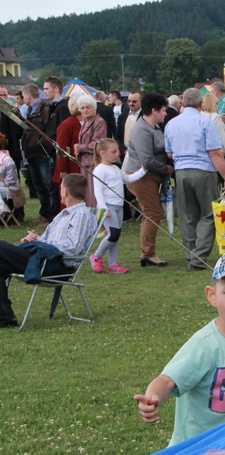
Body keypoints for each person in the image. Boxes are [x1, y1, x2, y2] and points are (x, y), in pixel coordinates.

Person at [133, 249, 225, 446]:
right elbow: (167, 381)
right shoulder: (205, 345)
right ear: (212, 296)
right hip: (195, 454)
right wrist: (152, 397)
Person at [0, 173, 97, 328]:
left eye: (60, 188)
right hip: (44, 258)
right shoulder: (63, 215)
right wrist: (36, 239)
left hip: (54, 265)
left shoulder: (81, 216)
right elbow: (48, 240)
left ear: (65, 192)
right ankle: (5, 317)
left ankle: (5, 316)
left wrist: (43, 245)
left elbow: (72, 249)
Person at [165, 88, 225, 270]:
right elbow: (215, 154)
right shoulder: (206, 123)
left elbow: (169, 153)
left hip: (180, 172)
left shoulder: (171, 124)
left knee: (188, 215)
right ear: (201, 103)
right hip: (203, 171)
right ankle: (199, 257)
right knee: (208, 214)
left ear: (182, 103)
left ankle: (190, 253)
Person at [123, 93, 172, 268]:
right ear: (154, 110)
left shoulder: (155, 127)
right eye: (163, 110)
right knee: (153, 213)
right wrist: (167, 169)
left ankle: (148, 252)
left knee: (151, 212)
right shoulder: (142, 130)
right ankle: (148, 253)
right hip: (141, 178)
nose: (165, 114)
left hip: (151, 177)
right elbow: (147, 160)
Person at [90, 139, 147, 274]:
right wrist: (104, 208)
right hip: (108, 207)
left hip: (118, 206)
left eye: (117, 151)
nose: (118, 154)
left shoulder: (115, 168)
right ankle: (96, 256)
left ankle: (113, 264)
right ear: (103, 153)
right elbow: (98, 191)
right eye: (114, 152)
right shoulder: (99, 170)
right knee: (113, 234)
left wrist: (143, 171)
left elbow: (128, 179)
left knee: (115, 236)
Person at [20, 83, 56, 222]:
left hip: (41, 151)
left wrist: (41, 142)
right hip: (31, 151)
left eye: (23, 96)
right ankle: (44, 212)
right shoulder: (28, 110)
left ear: (28, 96)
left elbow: (47, 128)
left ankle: (51, 213)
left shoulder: (45, 109)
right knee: (38, 185)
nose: (23, 99)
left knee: (47, 184)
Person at [74, 94, 107, 208]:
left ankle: (96, 219)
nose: (85, 110)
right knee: (87, 193)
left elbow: (98, 144)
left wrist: (80, 147)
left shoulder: (99, 122)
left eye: (88, 107)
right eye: (82, 108)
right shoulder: (85, 122)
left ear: (94, 108)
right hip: (84, 163)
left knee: (94, 193)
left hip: (94, 163)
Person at [54, 96, 83, 198]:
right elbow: (61, 148)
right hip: (70, 167)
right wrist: (63, 169)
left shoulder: (84, 122)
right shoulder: (67, 124)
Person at [200, 94, 225, 167]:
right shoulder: (215, 117)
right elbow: (222, 137)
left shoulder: (199, 115)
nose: (217, 105)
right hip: (215, 151)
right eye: (216, 103)